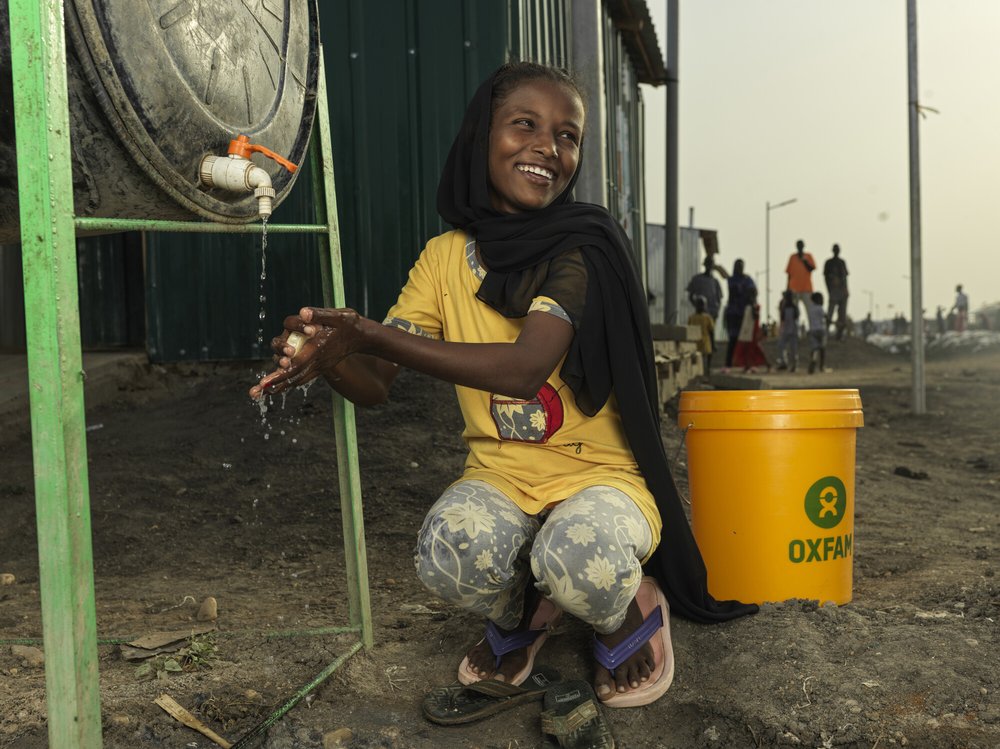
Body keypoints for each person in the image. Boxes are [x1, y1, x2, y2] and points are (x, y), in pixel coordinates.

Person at [250, 62, 755, 710]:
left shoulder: (581, 249)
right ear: (480, 135)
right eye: (526, 125)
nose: (549, 146)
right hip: (503, 476)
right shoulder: (442, 259)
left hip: (602, 478)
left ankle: (627, 609)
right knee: (447, 553)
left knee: (578, 559)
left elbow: (524, 367)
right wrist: (328, 355)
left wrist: (368, 333)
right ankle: (526, 610)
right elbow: (376, 385)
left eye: (568, 135)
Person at [721, 259, 757, 371]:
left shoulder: (747, 280)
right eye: (737, 266)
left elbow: (753, 293)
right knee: (733, 339)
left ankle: (747, 364)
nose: (739, 268)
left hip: (745, 313)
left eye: (741, 266)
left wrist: (753, 307)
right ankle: (728, 364)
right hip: (733, 313)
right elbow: (734, 291)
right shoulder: (732, 280)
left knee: (746, 340)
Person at [731, 288, 771, 373]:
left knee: (754, 348)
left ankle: (766, 364)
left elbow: (755, 316)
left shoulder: (754, 306)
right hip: (747, 330)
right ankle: (747, 365)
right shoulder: (748, 305)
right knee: (747, 348)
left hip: (752, 330)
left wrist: (753, 309)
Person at [686, 255, 724, 326]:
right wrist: (698, 307)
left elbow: (719, 299)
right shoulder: (697, 279)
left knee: (709, 334)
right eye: (708, 263)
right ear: (705, 265)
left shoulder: (715, 282)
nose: (709, 266)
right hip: (700, 315)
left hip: (712, 313)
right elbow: (690, 296)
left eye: (711, 264)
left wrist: (717, 311)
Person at [823, 244, 849, 340]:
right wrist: (829, 290)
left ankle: (839, 334)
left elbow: (845, 277)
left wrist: (846, 290)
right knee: (830, 312)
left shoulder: (842, 262)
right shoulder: (829, 263)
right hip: (834, 290)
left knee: (842, 314)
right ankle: (826, 332)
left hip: (842, 291)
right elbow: (826, 278)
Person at [785, 239, 816, 318]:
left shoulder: (808, 256)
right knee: (794, 312)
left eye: (801, 245)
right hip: (794, 289)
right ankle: (795, 329)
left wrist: (805, 261)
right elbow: (789, 274)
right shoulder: (792, 257)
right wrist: (787, 289)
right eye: (798, 246)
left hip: (807, 289)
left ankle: (813, 328)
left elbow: (812, 268)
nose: (800, 247)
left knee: (810, 311)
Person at [687, 296, 715, 375]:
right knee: (705, 355)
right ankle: (704, 370)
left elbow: (711, 331)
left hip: (701, 342)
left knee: (704, 356)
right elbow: (712, 332)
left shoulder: (694, 317)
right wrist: (713, 344)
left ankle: (705, 370)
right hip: (702, 342)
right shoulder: (706, 317)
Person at [776, 290, 799, 371]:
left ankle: (793, 365)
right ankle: (784, 362)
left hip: (791, 329)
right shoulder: (786, 306)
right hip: (788, 328)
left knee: (792, 348)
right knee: (783, 346)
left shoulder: (792, 306)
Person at [806, 291, 827, 374]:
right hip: (821, 330)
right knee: (822, 349)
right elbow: (825, 317)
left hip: (813, 330)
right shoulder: (819, 308)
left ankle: (813, 360)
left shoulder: (811, 309)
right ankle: (822, 367)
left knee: (814, 348)